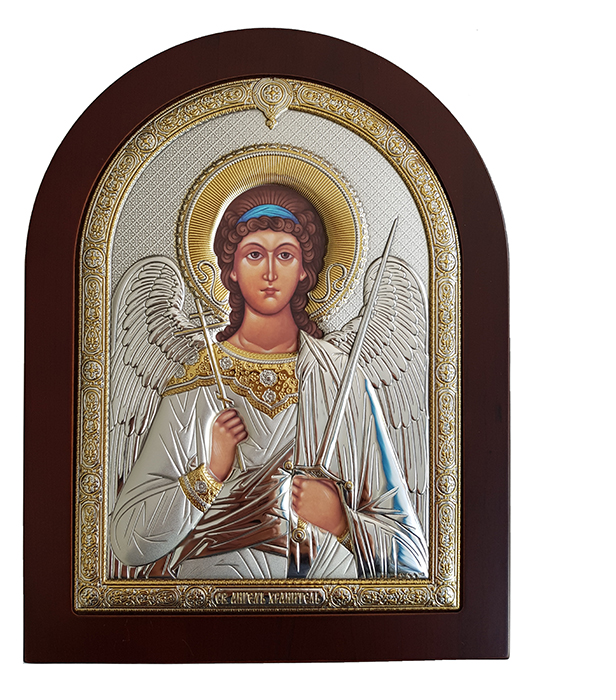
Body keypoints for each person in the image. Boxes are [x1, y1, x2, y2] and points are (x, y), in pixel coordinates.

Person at [109, 185, 427, 579]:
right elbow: (127, 542)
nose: (271, 272)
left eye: (286, 255)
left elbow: (413, 560)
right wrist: (210, 473)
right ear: (231, 269)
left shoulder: (340, 380)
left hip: (325, 600)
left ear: (305, 270)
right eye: (255, 254)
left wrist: (341, 521)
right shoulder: (198, 382)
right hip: (208, 602)